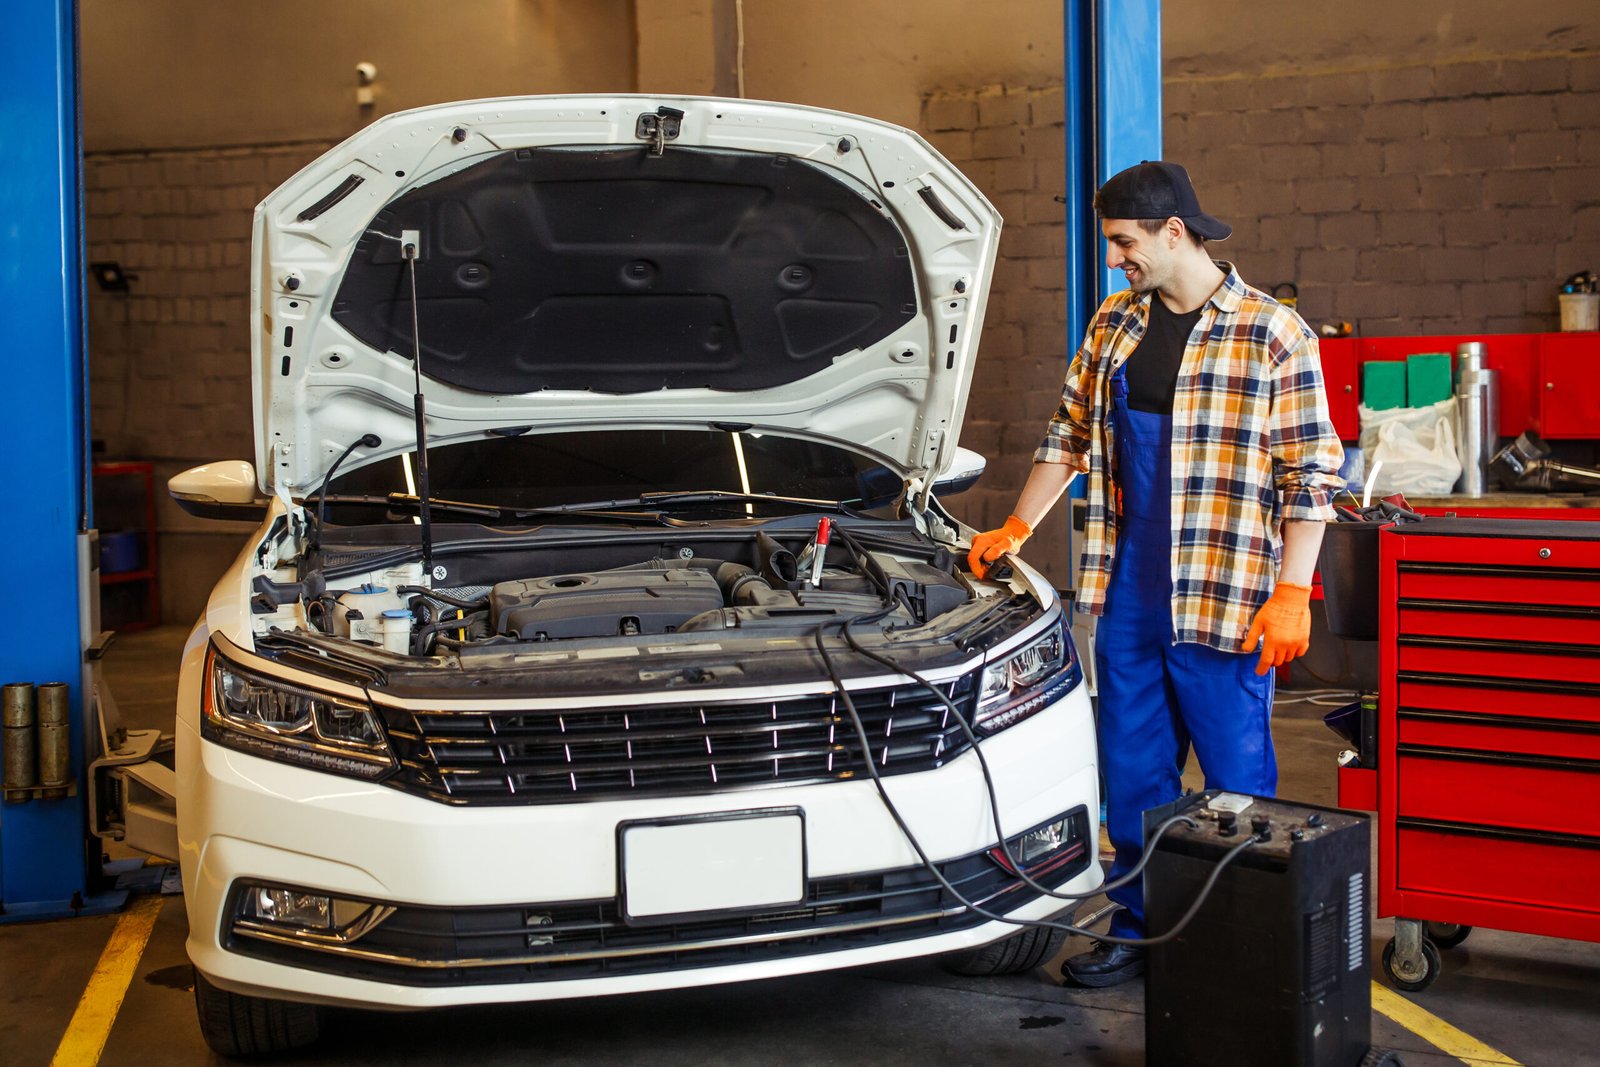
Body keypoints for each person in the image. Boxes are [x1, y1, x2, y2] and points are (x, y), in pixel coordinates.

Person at [967, 160, 1344, 987]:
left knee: (1236, 774)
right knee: (1134, 767)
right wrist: (1019, 525)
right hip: (1130, 586)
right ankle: (1137, 927)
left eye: (1123, 242)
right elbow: (1067, 433)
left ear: (1174, 232)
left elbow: (1311, 474)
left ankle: (1238, 938)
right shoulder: (1115, 322)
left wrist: (1292, 590)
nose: (1115, 259)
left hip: (1228, 589)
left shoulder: (1273, 332)